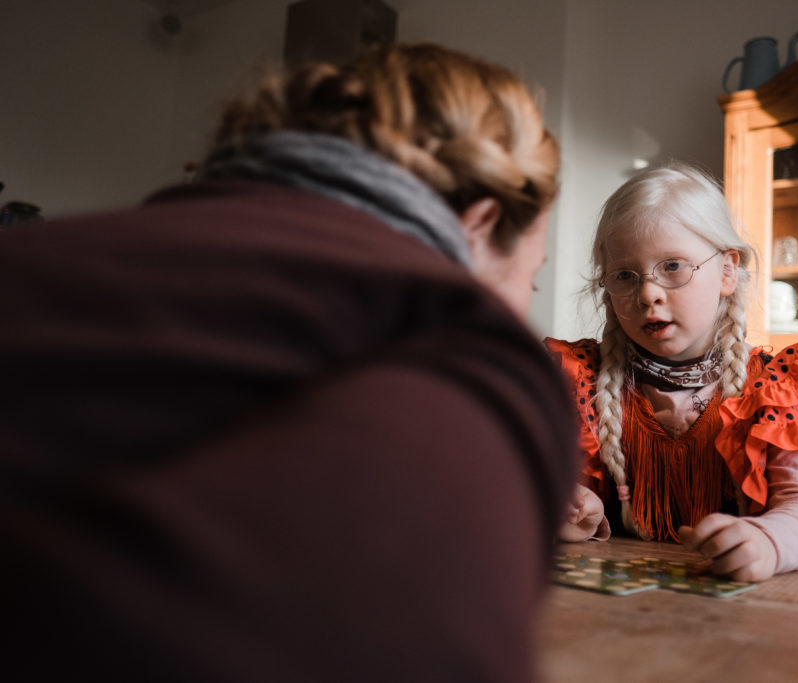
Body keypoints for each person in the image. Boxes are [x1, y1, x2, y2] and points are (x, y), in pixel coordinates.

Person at [0, 44, 577, 682]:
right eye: (532, 276)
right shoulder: (462, 338)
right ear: (478, 223)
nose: (522, 311)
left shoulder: (44, 259)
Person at [550, 162, 798, 581]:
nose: (648, 293)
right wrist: (574, 507)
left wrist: (768, 542)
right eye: (625, 276)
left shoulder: (778, 386)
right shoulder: (579, 381)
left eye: (673, 266)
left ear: (727, 270)